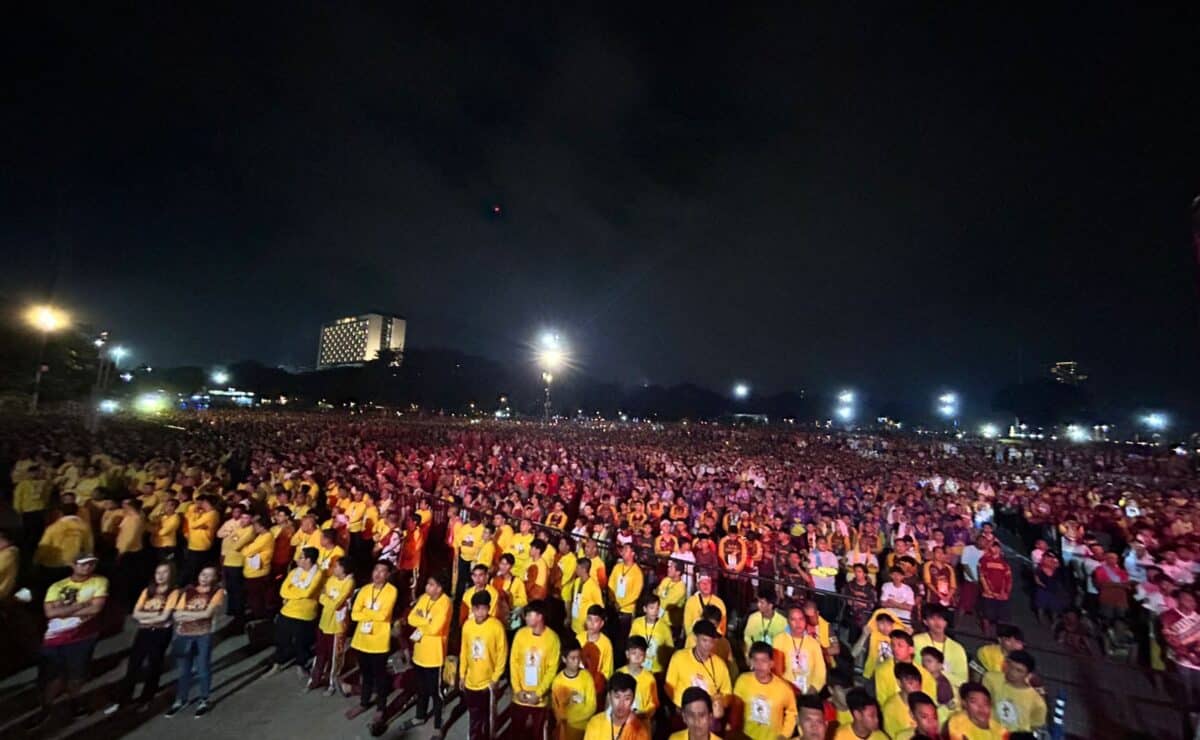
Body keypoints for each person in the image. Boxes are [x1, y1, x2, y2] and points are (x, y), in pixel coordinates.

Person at [28, 553, 109, 728]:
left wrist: (63, 610)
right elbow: (49, 613)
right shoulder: (57, 586)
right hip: (54, 638)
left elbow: (96, 609)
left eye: (91, 564)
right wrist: (81, 606)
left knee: (77, 674)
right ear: (73, 565)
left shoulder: (99, 581)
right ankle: (46, 707)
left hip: (83, 636)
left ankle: (74, 701)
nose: (87, 567)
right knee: (51, 676)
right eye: (83, 564)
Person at [105, 561, 178, 714]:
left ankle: (147, 698)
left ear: (171, 574)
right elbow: (136, 613)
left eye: (164, 572)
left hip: (161, 633)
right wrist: (152, 617)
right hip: (144, 631)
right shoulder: (148, 591)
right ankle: (123, 700)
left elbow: (165, 616)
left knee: (154, 665)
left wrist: (147, 617)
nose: (160, 576)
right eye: (158, 572)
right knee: (133, 665)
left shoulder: (174, 592)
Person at [167, 565, 225, 718]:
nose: (205, 577)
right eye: (203, 574)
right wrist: (194, 615)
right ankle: (181, 699)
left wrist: (187, 614)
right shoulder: (188, 591)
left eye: (209, 575)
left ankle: (204, 699)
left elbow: (207, 613)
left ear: (215, 578)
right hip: (183, 634)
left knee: (202, 668)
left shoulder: (217, 592)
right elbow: (176, 615)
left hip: (203, 635)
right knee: (184, 670)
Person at [347, 561, 398, 725]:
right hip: (362, 639)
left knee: (380, 676)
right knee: (365, 674)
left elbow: (384, 615)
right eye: (376, 569)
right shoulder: (365, 589)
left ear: (388, 575)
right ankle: (364, 702)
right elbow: (354, 614)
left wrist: (365, 612)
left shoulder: (391, 591)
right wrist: (372, 613)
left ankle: (381, 708)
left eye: (383, 571)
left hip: (379, 641)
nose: (378, 574)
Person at [405, 574, 451, 732]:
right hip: (419, 653)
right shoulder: (424, 598)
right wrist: (427, 621)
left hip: (434, 656)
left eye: (431, 585)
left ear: (439, 588)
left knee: (435, 692)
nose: (427, 588)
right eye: (428, 584)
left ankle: (438, 725)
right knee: (421, 688)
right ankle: (420, 716)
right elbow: (411, 618)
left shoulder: (445, 602)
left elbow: (435, 628)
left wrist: (422, 620)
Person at [510, 600, 562, 739]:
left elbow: (552, 670)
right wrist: (517, 689)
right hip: (519, 697)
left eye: (529, 614)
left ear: (540, 616)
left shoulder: (552, 639)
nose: (525, 617)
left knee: (538, 734)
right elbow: (513, 663)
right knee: (516, 732)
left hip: (539, 700)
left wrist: (539, 693)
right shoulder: (520, 635)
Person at [459, 590, 507, 740]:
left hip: (487, 683)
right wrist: (462, 675)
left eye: (484, 608)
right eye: (477, 608)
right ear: (472, 609)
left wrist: (495, 677)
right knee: (473, 715)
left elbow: (502, 653)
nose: (480, 612)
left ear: (489, 608)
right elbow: (464, 650)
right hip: (471, 681)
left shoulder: (496, 626)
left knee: (487, 717)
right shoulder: (467, 626)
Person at [268, 545, 322, 676]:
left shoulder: (318, 574)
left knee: (301, 641)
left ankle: (301, 665)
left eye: (301, 557)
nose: (298, 559)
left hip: (304, 614)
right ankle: (277, 664)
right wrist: (296, 594)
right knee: (281, 639)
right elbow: (283, 591)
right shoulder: (293, 572)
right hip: (287, 611)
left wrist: (291, 594)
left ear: (309, 560)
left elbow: (307, 592)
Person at [665, 620, 731, 725]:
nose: (708, 645)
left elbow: (727, 693)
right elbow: (669, 686)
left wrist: (719, 703)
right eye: (704, 641)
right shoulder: (679, 658)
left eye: (712, 641)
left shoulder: (720, 665)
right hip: (683, 716)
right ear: (696, 639)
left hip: (708, 719)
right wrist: (679, 706)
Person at [733, 640, 797, 740]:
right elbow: (735, 712)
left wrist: (784, 735)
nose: (759, 665)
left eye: (764, 661)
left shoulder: (784, 688)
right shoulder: (742, 681)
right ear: (751, 661)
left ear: (771, 663)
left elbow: (792, 713)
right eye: (756, 660)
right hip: (747, 737)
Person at [309, 556, 354, 692]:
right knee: (320, 653)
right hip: (324, 622)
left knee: (335, 657)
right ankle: (314, 680)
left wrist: (326, 598)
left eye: (336, 566)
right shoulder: (331, 580)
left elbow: (336, 603)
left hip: (337, 626)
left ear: (344, 569)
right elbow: (322, 596)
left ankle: (332, 683)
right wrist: (327, 599)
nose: (333, 569)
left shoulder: (348, 583)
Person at [981, 649, 1047, 734]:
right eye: (1010, 666)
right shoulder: (990, 679)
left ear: (1028, 675)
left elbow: (1035, 724)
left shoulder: (1037, 702)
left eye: (1019, 670)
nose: (1012, 672)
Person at [771, 604, 826, 695]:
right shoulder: (779, 640)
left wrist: (812, 691)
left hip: (809, 693)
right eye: (793, 619)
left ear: (805, 621)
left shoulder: (814, 643)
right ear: (788, 621)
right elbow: (776, 671)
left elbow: (820, 672)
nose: (798, 623)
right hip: (785, 691)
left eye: (801, 619)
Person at [583, 671, 651, 740]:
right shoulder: (595, 723)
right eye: (617, 697)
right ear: (609, 696)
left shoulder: (639, 730)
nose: (621, 704)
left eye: (627, 698)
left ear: (633, 700)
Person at [552, 637, 598, 740]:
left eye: (578, 657)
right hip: (566, 731)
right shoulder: (558, 682)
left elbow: (592, 706)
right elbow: (557, 709)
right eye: (572, 658)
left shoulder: (586, 677)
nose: (577, 661)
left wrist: (572, 719)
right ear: (564, 659)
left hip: (585, 729)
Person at [913, 604, 967, 689]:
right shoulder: (917, 640)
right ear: (925, 622)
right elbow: (914, 669)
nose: (937, 622)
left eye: (941, 618)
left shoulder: (957, 648)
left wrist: (939, 674)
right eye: (932, 618)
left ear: (946, 622)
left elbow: (963, 680)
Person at [610, 543, 645, 652]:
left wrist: (621, 604)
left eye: (626, 550)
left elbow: (635, 594)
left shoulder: (637, 573)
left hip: (626, 611)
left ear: (633, 554)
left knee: (622, 640)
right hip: (614, 607)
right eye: (623, 549)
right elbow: (611, 585)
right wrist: (613, 601)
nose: (623, 552)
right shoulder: (617, 567)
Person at [618, 636, 659, 727]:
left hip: (641, 723)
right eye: (634, 653)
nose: (637, 656)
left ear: (645, 656)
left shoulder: (649, 678)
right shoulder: (619, 674)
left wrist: (644, 713)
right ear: (627, 654)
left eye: (641, 654)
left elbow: (653, 703)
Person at [630, 593, 674, 675]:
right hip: (639, 668)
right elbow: (631, 645)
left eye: (657, 609)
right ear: (645, 609)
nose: (655, 612)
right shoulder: (637, 623)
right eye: (651, 608)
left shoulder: (664, 627)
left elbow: (670, 650)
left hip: (657, 671)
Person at [977, 541, 1012, 638]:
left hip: (1001, 594)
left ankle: (999, 634)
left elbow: (1008, 579)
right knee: (986, 614)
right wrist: (986, 589)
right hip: (988, 593)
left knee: (1000, 616)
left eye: (997, 548)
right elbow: (981, 575)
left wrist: (1006, 592)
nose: (995, 549)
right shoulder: (984, 560)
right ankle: (986, 633)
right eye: (993, 547)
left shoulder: (1005, 563)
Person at [578, 604, 614, 697]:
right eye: (589, 619)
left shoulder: (606, 644)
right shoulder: (579, 638)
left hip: (595, 688)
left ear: (601, 623)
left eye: (596, 620)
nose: (592, 623)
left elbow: (607, 671)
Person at [742, 588, 788, 660]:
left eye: (762, 602)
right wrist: (749, 658)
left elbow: (785, 645)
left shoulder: (783, 622)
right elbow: (747, 639)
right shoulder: (753, 618)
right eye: (758, 602)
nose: (758, 605)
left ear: (770, 605)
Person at [879, 662, 922, 738]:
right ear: (899, 683)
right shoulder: (890, 708)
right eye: (909, 681)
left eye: (917, 680)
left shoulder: (924, 702)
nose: (914, 684)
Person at [682, 573, 727, 641]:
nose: (706, 585)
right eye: (702, 583)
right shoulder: (691, 601)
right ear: (697, 586)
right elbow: (687, 625)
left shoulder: (719, 602)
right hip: (695, 639)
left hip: (714, 639)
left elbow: (723, 626)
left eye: (708, 582)